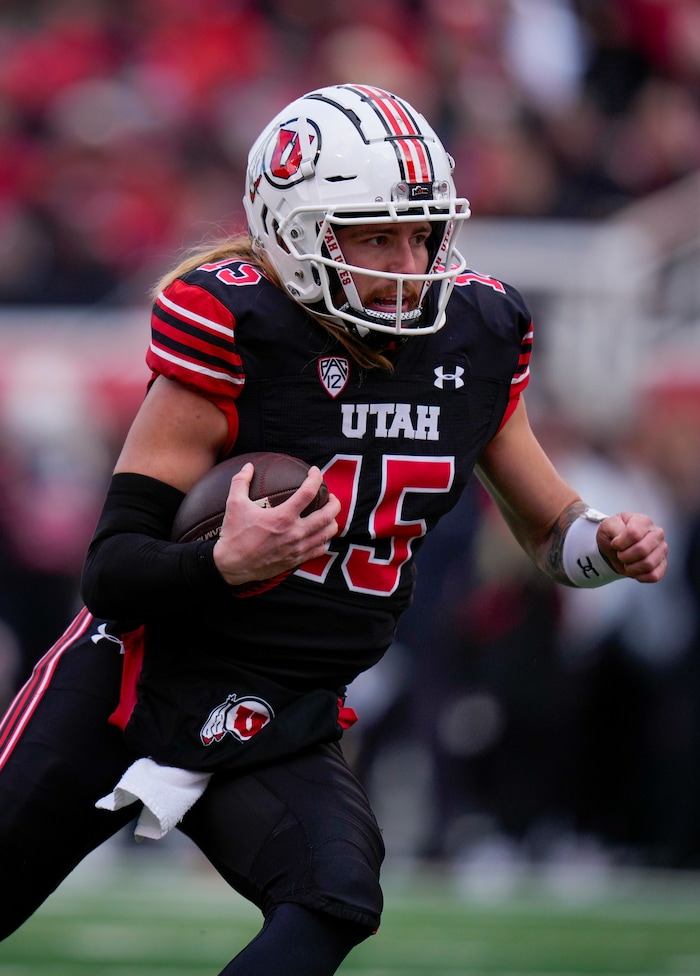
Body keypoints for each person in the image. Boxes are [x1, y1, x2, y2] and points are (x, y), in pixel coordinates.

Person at [0, 84, 667, 975]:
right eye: (374, 235)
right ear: (296, 231)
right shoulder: (238, 327)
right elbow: (112, 573)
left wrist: (603, 548)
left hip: (284, 702)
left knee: (334, 897)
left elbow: (552, 532)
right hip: (134, 678)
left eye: (420, 232)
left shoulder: (474, 334)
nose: (408, 259)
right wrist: (226, 566)